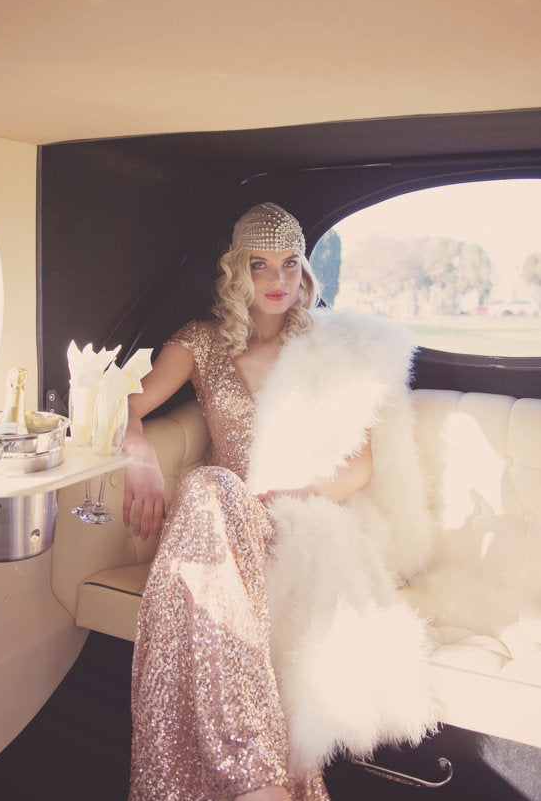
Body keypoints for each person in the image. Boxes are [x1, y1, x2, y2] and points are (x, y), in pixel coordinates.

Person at [123, 203, 436, 801]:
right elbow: (126, 407)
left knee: (207, 490)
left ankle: (240, 775)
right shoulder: (201, 342)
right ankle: (258, 781)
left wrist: (297, 494)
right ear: (235, 272)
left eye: (290, 263)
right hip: (220, 521)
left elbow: (360, 466)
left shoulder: (327, 346)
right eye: (259, 265)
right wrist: (139, 454)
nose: (277, 279)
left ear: (305, 271)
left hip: (296, 520)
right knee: (211, 486)